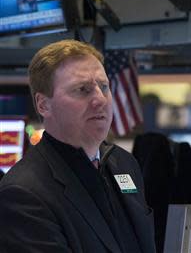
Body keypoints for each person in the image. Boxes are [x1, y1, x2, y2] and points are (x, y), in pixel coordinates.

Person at [0, 40, 156, 253]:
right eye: (82, 90)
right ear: (44, 105)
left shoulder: (124, 164)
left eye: (104, 87)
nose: (100, 100)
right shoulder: (23, 193)